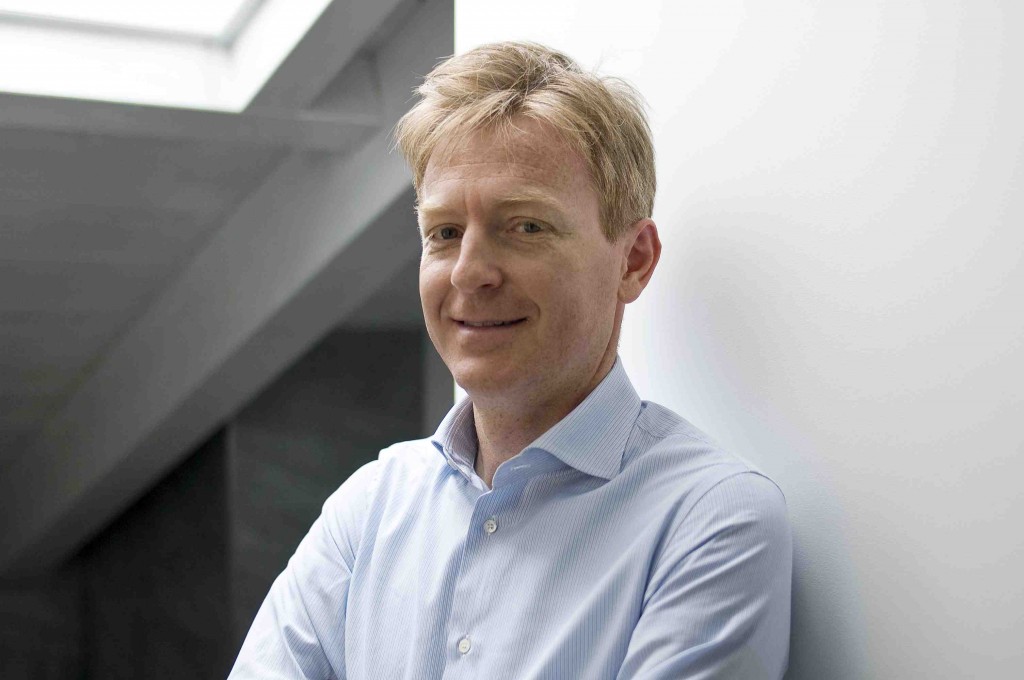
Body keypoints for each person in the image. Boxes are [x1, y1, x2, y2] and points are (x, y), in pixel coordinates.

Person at [228, 41, 792, 679]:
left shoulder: (709, 520)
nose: (468, 273)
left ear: (633, 261)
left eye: (525, 226)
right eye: (444, 233)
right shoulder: (369, 509)